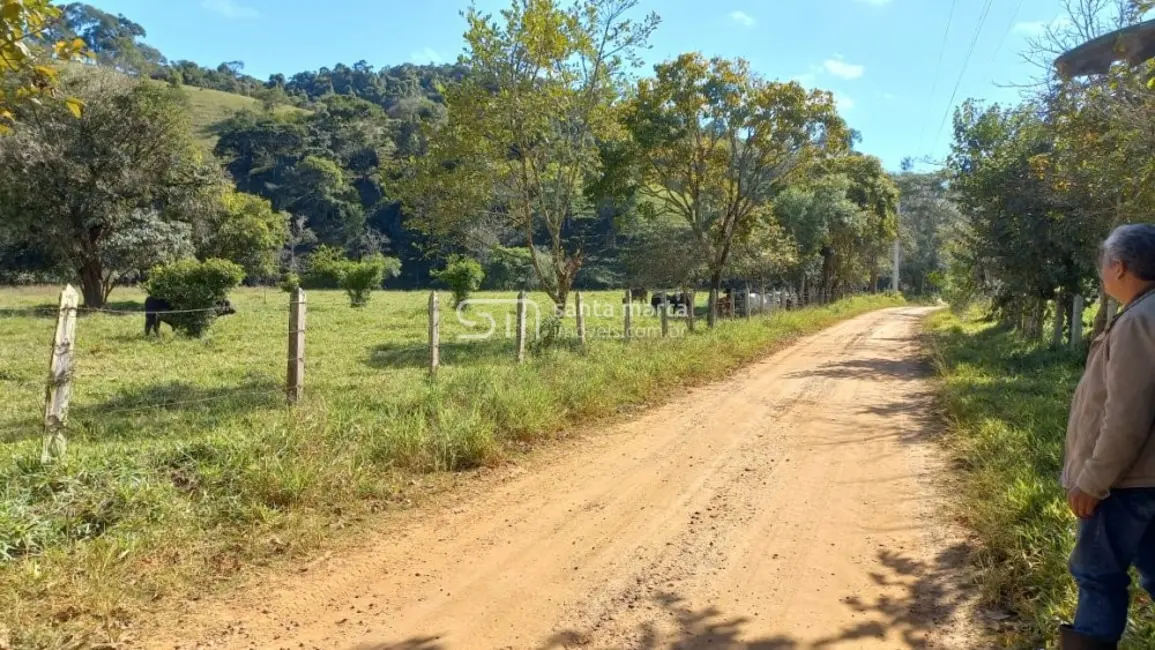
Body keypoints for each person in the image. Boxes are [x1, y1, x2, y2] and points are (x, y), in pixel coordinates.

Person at [1062, 224, 1155, 650]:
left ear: (1119, 266)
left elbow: (1125, 415)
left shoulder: (1139, 321)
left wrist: (1093, 481)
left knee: (1097, 578)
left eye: (1104, 263)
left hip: (1125, 485)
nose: (1103, 271)